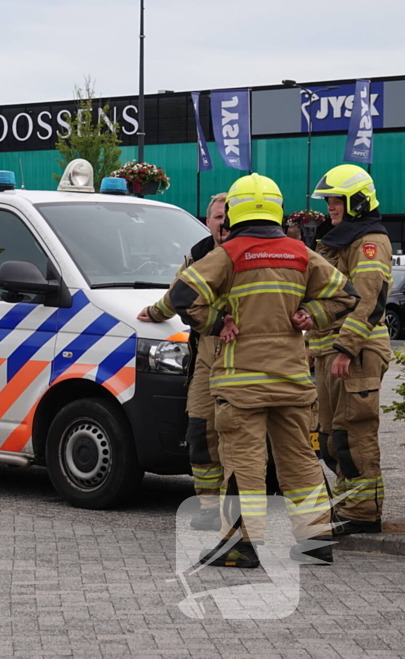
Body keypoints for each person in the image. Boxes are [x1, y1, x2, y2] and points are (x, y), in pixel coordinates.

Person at [163, 173, 358, 568]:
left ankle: (239, 545)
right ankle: (316, 541)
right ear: (277, 208)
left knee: (243, 463)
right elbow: (347, 295)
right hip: (291, 380)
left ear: (235, 211)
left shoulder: (230, 252)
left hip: (242, 385)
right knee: (299, 460)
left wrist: (218, 323)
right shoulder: (301, 252)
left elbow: (183, 295)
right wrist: (311, 314)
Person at [307, 164, 391, 535]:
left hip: (356, 352)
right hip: (331, 352)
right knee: (329, 437)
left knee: (352, 432)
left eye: (336, 200)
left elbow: (370, 301)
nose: (330, 207)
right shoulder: (339, 238)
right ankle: (349, 502)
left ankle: (363, 513)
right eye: (328, 201)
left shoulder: (369, 241)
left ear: (357, 200)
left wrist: (345, 348)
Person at [138, 192, 228, 531]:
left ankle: (235, 512)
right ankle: (208, 507)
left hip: (240, 354)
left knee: (236, 437)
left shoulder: (243, 254)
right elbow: (180, 290)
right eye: (218, 217)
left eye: (228, 217)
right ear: (208, 221)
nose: (224, 223)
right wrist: (156, 312)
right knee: (200, 430)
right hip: (206, 354)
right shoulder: (200, 253)